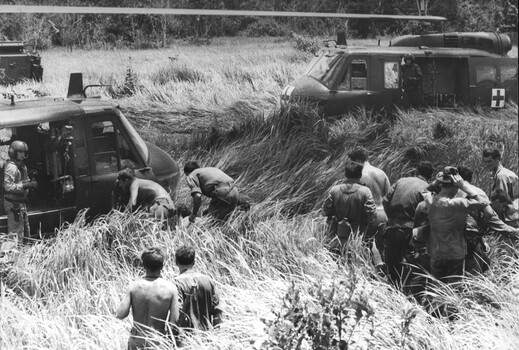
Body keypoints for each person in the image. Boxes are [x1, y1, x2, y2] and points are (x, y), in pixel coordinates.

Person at [415, 166, 489, 284]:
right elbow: (483, 202)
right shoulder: (458, 203)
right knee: (454, 290)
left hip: (436, 253)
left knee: (437, 288)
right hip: (455, 254)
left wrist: (438, 180)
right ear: (455, 187)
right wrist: (463, 186)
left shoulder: (430, 200)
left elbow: (424, 190)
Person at [116, 246, 179, 350]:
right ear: (162, 266)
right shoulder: (171, 289)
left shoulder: (133, 287)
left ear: (143, 266)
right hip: (158, 341)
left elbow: (120, 314)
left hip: (136, 339)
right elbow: (174, 321)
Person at [382, 161, 433, 284]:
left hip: (393, 226)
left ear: (416, 171)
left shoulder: (401, 181)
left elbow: (385, 201)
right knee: (412, 262)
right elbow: (428, 210)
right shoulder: (427, 188)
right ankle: (406, 290)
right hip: (411, 229)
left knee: (392, 260)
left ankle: (392, 287)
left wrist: (390, 218)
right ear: (430, 176)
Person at [322, 159, 377, 257]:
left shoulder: (334, 189)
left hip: (336, 239)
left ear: (346, 174)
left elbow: (325, 212)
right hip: (357, 241)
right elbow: (372, 217)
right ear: (360, 175)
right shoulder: (365, 191)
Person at [348, 146, 390, 265]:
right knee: (384, 249)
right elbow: (388, 197)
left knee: (365, 248)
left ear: (356, 159)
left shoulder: (359, 174)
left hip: (367, 216)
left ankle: (371, 277)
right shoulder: (381, 173)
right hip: (383, 214)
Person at [174, 245, 222, 331]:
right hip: (208, 335)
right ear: (194, 262)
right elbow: (217, 309)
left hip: (186, 337)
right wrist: (217, 331)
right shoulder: (208, 280)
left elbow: (177, 311)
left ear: (176, 262)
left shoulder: (176, 283)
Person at [3, 140, 38, 245]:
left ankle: (24, 255)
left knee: (25, 232)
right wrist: (25, 185)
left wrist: (30, 180)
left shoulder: (21, 166)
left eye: (24, 152)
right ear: (14, 152)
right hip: (13, 203)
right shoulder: (11, 167)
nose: (23, 154)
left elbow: (22, 180)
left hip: (20, 202)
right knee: (15, 235)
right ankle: (13, 257)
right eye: (20, 152)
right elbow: (8, 186)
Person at [482, 147, 519, 214]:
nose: (487, 164)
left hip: (508, 215)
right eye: (486, 162)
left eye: (490, 161)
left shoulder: (501, 176)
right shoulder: (505, 173)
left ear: (497, 159)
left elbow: (500, 201)